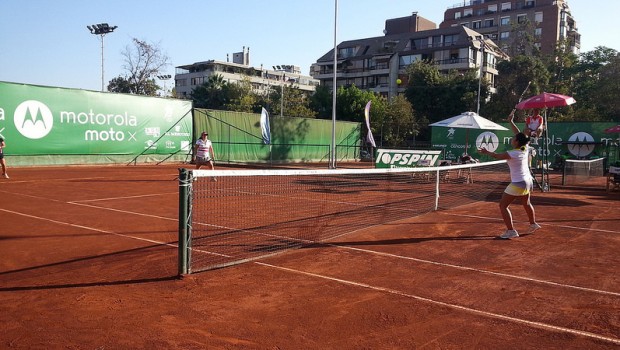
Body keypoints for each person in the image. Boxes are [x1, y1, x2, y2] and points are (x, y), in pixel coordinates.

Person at [476, 111, 541, 239]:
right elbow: (519, 134)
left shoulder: (512, 153)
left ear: (517, 142)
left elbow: (496, 155)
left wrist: (486, 151)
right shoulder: (525, 147)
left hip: (518, 183)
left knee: (503, 205)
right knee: (526, 203)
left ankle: (511, 231)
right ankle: (533, 224)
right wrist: (510, 121)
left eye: (513, 138)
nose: (512, 139)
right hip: (528, 181)